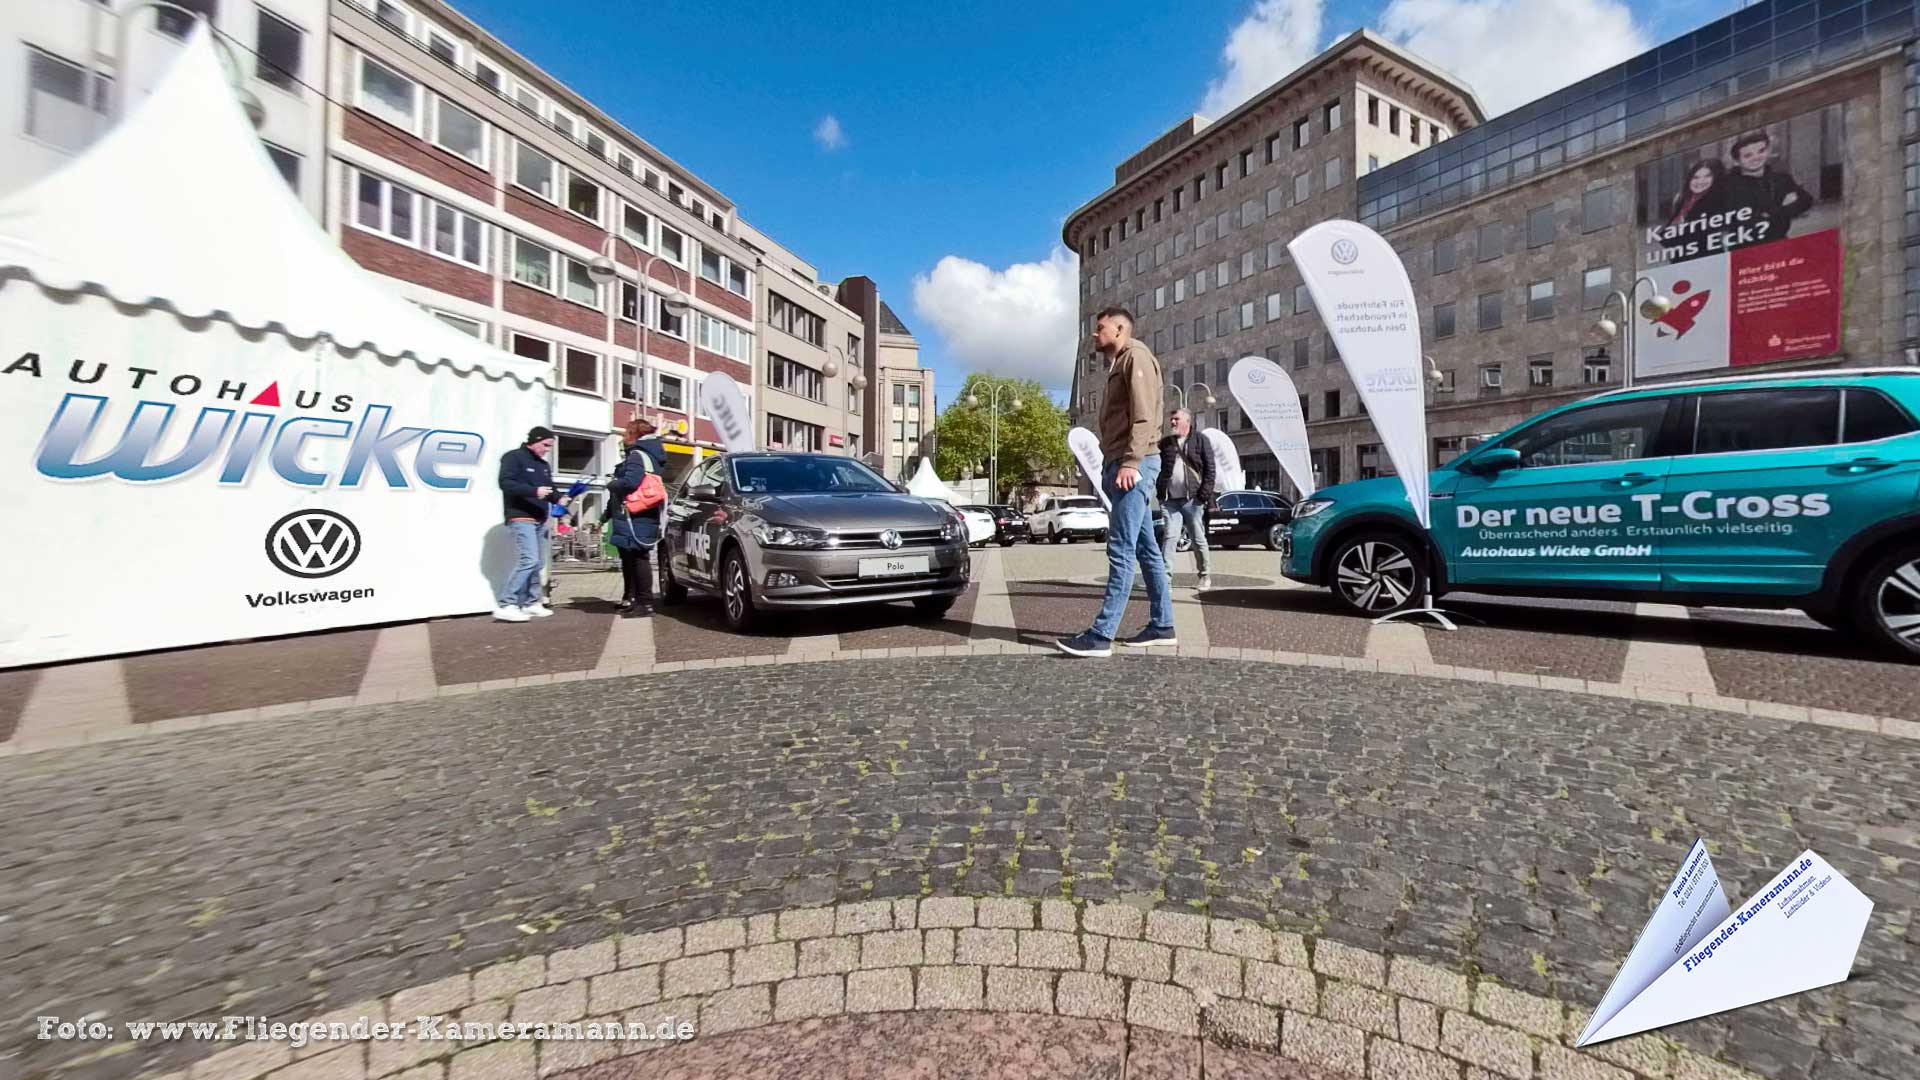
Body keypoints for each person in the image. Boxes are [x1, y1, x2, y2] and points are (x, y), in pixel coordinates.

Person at [1056, 308, 1175, 658]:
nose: (1095, 334)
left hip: (1132, 464)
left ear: (1120, 328)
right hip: (1123, 462)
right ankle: (1162, 624)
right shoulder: (1120, 362)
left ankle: (1101, 635)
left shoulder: (1135, 357)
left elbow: (1144, 415)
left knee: (1120, 549)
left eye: (1101, 328)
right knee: (1146, 549)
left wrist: (1131, 461)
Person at [496, 426, 563, 623]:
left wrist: (559, 498)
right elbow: (506, 484)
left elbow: (550, 489)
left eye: (550, 446)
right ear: (535, 440)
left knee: (538, 563)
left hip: (540, 518)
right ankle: (507, 603)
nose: (547, 449)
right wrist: (534, 492)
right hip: (521, 516)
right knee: (529, 560)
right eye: (545, 445)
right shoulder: (513, 458)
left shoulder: (543, 465)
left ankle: (532, 603)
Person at [606, 418, 668, 617]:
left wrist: (612, 484)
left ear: (633, 434)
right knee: (636, 558)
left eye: (626, 433)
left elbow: (630, 482)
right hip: (646, 513)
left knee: (638, 559)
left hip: (635, 514)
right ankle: (637, 600)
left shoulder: (636, 455)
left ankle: (644, 603)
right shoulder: (652, 455)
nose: (624, 437)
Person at [1156, 408, 1216, 591]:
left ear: (1187, 421)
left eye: (1176, 419)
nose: (1172, 422)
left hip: (1192, 500)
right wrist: (1159, 493)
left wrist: (1202, 496)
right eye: (1171, 419)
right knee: (1170, 537)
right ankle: (1165, 579)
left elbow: (1210, 470)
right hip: (1170, 500)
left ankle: (1205, 576)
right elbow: (1158, 467)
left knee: (1198, 539)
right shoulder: (1165, 443)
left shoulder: (1200, 440)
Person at [1720, 130, 1811, 248]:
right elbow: (1749, 225)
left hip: (1781, 243)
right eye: (1748, 155)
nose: (1756, 157)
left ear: (1768, 151)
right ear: (1737, 161)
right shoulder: (1728, 187)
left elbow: (1806, 201)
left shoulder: (1781, 178)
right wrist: (1783, 208)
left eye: (1761, 151)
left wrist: (1769, 213)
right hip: (1744, 251)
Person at [1664, 160, 1725, 229]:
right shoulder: (1680, 199)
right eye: (1695, 177)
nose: (1700, 181)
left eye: (1707, 176)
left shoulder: (1719, 202)